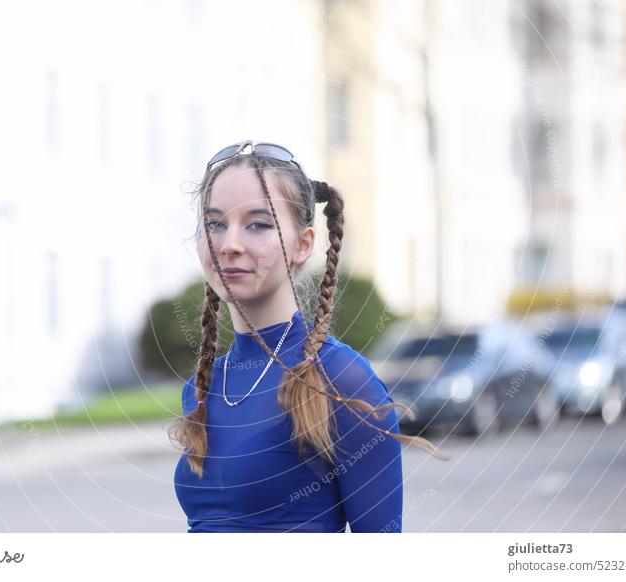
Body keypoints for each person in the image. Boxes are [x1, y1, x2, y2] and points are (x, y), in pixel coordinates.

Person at [170, 140, 448, 533]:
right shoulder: (202, 387)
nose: (229, 244)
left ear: (303, 245)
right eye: (215, 223)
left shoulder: (341, 378)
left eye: (258, 224)